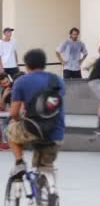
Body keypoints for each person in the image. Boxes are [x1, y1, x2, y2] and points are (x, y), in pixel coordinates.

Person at [5, 49, 65, 177]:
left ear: (26, 65)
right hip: (56, 132)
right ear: (44, 64)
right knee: (45, 168)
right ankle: (51, 190)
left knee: (10, 129)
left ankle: (19, 162)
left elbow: (14, 112)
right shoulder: (58, 80)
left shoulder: (21, 81)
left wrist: (18, 120)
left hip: (33, 129)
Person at [0, 73, 13, 150]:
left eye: (7, 82)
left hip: (17, 111)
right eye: (4, 83)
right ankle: (5, 143)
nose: (6, 84)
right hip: (8, 112)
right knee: (2, 122)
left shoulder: (15, 86)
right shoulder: (4, 91)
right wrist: (4, 96)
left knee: (7, 122)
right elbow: (2, 107)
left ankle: (7, 143)